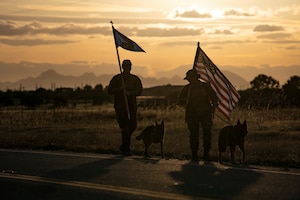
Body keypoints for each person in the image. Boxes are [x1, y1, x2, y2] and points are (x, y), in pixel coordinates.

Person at [178, 69, 218, 161]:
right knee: (193, 135)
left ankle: (206, 153)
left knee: (207, 133)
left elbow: (214, 97)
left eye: (190, 78)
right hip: (192, 114)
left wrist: (214, 106)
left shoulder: (205, 86)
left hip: (206, 113)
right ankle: (194, 154)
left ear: (195, 78)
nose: (189, 80)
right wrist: (185, 100)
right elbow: (179, 100)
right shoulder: (187, 88)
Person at [108, 59, 143, 156]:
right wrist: (119, 90)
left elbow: (139, 91)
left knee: (133, 125)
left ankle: (124, 145)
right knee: (125, 127)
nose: (128, 67)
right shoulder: (117, 78)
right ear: (123, 66)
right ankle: (126, 148)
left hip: (131, 106)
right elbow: (109, 90)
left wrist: (130, 93)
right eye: (126, 65)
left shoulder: (135, 79)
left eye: (129, 65)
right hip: (120, 106)